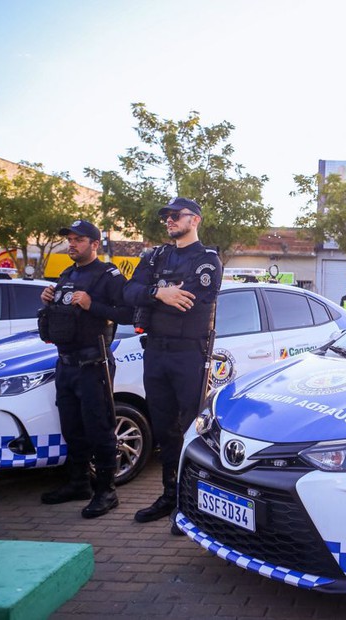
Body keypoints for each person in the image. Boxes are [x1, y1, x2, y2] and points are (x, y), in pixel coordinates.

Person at [123, 197, 223, 528]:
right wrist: (160, 294)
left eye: (174, 215)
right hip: (155, 352)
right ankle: (169, 495)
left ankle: (191, 504)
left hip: (188, 354)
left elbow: (193, 301)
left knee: (192, 430)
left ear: (194, 219)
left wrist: (152, 293)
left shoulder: (207, 260)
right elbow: (128, 292)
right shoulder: (155, 256)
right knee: (164, 429)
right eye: (165, 216)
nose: (168, 220)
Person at [39, 220, 133, 518]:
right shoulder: (67, 274)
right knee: (72, 428)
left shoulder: (109, 276)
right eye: (70, 239)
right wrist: (48, 300)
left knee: (99, 428)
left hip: (95, 365)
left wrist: (93, 305)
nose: (72, 244)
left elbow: (129, 314)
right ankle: (79, 484)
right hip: (66, 364)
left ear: (94, 244)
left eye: (78, 239)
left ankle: (107, 492)